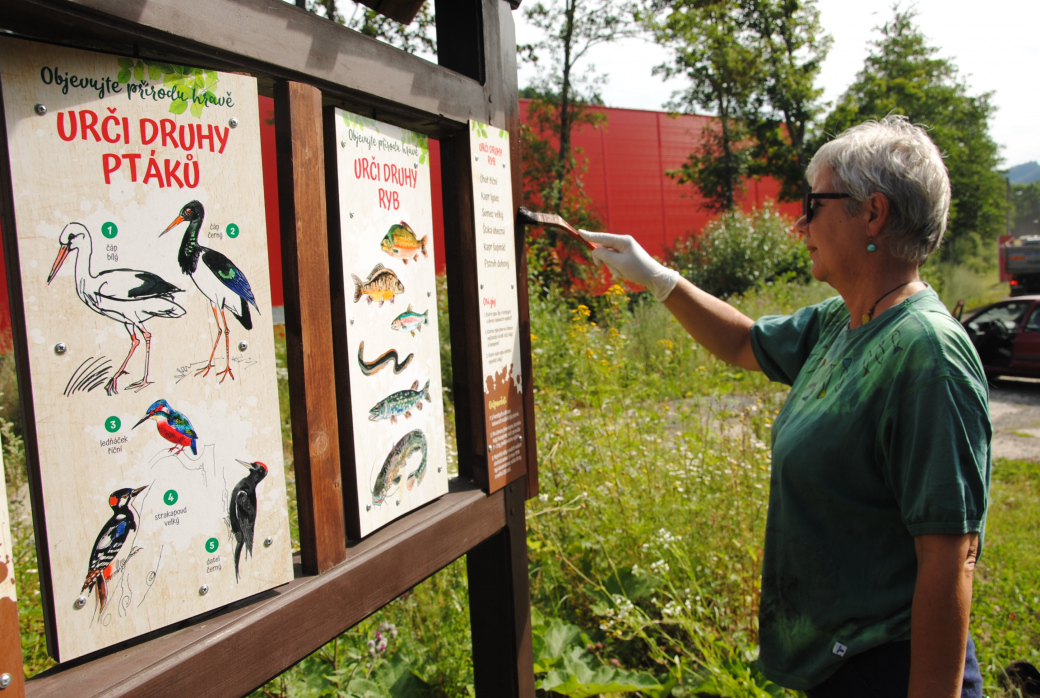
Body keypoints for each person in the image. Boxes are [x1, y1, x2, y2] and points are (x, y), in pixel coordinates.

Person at [579, 116, 990, 697]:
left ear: (873, 213)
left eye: (813, 202)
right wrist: (660, 280)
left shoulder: (927, 353)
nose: (799, 223)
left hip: (891, 671)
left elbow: (951, 555)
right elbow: (743, 342)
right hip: (838, 663)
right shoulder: (842, 322)